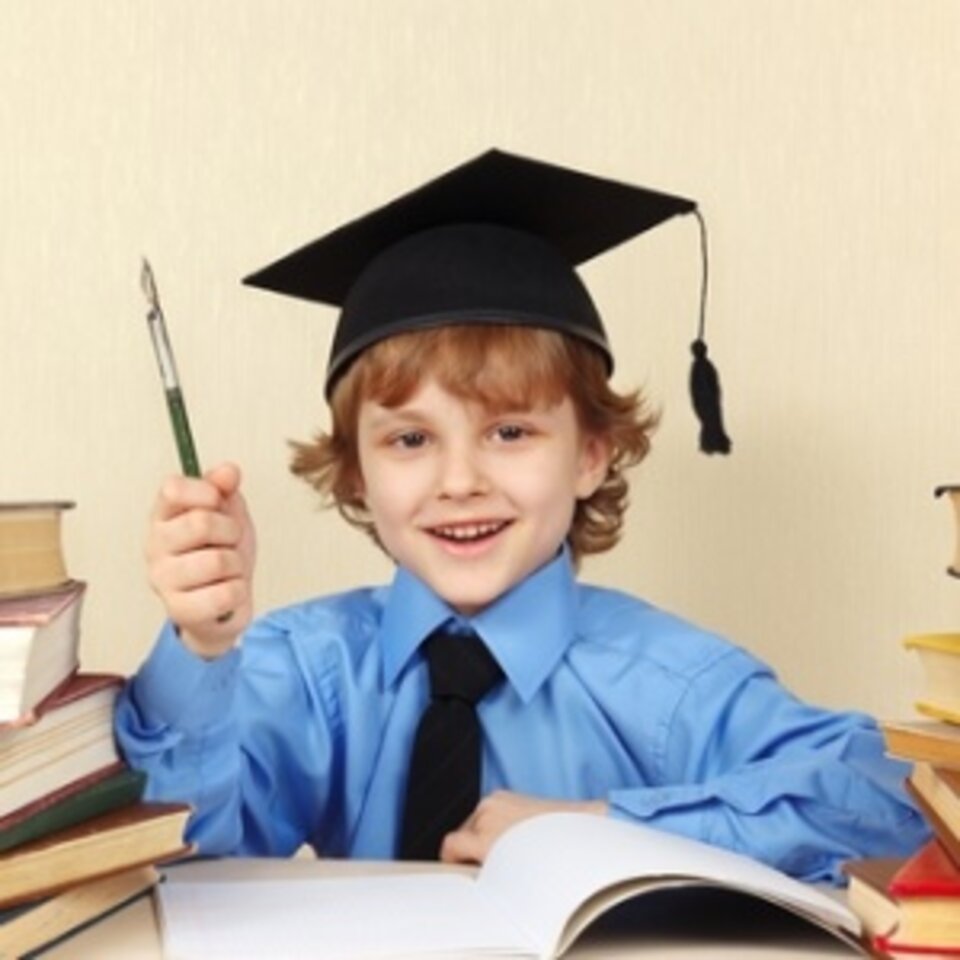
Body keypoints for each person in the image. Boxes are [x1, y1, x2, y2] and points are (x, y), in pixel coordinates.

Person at [114, 149, 927, 882]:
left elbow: (881, 799)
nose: (460, 481)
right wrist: (201, 645)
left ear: (591, 455)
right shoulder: (307, 671)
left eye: (510, 431)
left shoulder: (670, 686)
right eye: (409, 439)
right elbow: (180, 848)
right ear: (357, 475)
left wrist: (598, 830)